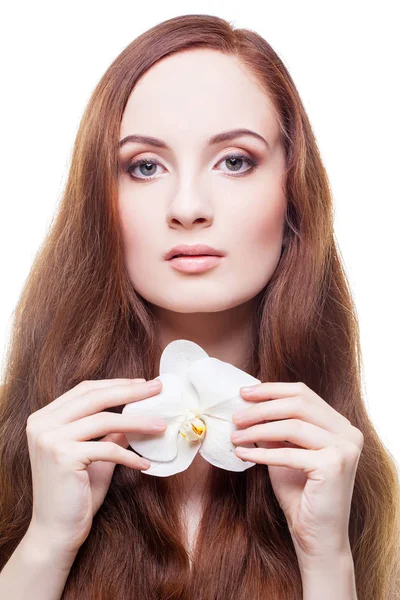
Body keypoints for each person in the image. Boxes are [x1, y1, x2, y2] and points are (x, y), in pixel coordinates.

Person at [0, 13, 399, 600]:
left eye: (235, 160)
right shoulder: (24, 454)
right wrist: (45, 545)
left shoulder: (361, 487)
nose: (187, 206)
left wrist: (328, 561)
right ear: (99, 202)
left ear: (293, 193)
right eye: (145, 166)